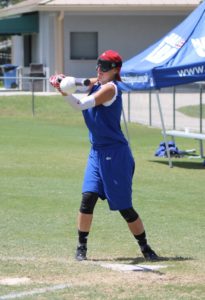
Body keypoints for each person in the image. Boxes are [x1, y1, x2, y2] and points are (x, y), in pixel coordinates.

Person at [49, 49, 158, 261]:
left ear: (116, 70)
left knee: (125, 207)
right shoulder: (98, 81)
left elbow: (80, 105)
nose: (99, 70)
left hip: (115, 154)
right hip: (96, 152)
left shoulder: (110, 89)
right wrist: (63, 83)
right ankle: (81, 247)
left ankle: (145, 247)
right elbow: (82, 82)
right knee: (87, 199)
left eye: (105, 67)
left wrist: (64, 90)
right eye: (98, 65)